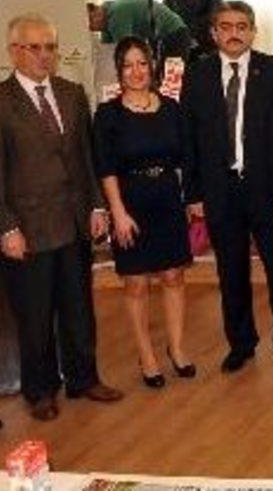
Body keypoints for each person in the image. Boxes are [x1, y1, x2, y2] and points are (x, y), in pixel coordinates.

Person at [0, 13, 123, 422]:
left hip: (74, 222)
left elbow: (86, 158)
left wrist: (96, 206)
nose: (44, 55)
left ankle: (84, 378)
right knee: (34, 315)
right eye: (34, 47)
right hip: (27, 229)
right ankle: (40, 390)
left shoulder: (72, 94)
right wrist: (6, 227)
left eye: (50, 47)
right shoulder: (2, 101)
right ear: (14, 51)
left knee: (78, 307)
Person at [180, 1, 273, 374]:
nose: (234, 33)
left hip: (268, 191)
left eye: (241, 26)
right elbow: (189, 139)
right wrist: (194, 193)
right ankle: (241, 343)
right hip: (220, 192)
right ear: (213, 33)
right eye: (225, 26)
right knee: (230, 273)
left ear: (253, 31)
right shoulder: (197, 75)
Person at [94, 36, 195, 389]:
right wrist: (118, 212)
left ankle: (177, 348)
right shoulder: (108, 114)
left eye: (142, 63)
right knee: (136, 283)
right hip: (130, 204)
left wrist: (186, 199)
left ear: (151, 66)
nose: (136, 71)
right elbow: (105, 168)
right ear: (119, 71)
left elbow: (184, 159)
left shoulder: (171, 108)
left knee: (173, 276)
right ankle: (146, 355)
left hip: (167, 200)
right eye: (128, 65)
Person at [87, 0, 193, 70]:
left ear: (97, 10)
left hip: (174, 33)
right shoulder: (106, 21)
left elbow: (126, 49)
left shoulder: (116, 15)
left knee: (172, 77)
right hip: (162, 36)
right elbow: (107, 53)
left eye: (91, 20)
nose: (91, 27)